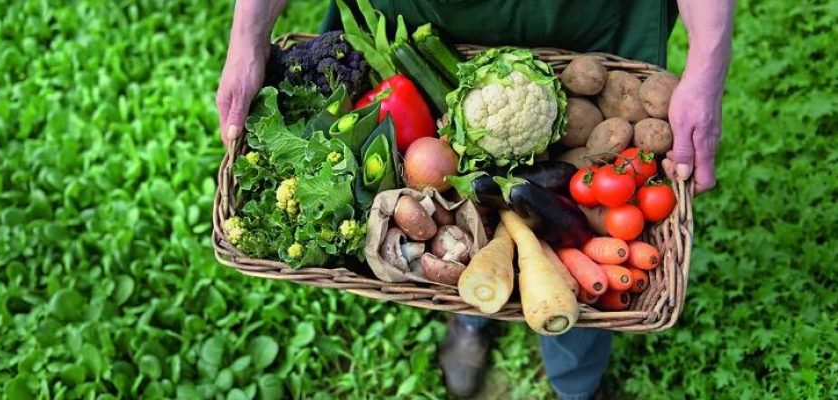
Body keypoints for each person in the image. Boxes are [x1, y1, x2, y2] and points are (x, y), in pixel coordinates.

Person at [217, 1, 734, 398]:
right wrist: (247, 36)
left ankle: (576, 370)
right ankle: (472, 309)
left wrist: (709, 67)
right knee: (473, 224)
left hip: (581, 19)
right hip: (428, 12)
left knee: (580, 255)